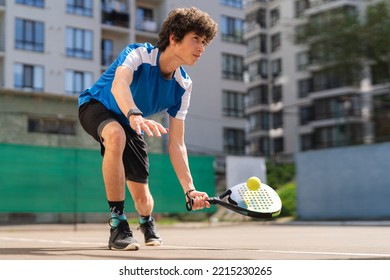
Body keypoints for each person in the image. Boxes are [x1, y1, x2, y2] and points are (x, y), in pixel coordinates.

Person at [78, 7, 218, 251]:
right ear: (174, 37)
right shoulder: (138, 53)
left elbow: (177, 143)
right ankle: (118, 222)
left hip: (133, 122)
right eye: (196, 39)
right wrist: (134, 115)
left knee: (143, 200)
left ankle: (146, 221)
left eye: (204, 42)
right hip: (97, 105)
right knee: (115, 133)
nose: (201, 48)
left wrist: (190, 190)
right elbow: (119, 85)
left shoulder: (183, 85)